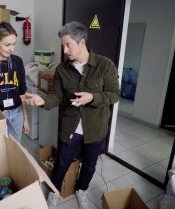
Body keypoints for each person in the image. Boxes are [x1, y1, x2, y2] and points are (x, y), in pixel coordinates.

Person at [24, 21, 119, 209]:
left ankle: (82, 190)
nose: (65, 50)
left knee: (90, 165)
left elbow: (114, 95)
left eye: (68, 45)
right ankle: (54, 191)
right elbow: (56, 96)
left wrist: (92, 96)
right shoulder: (61, 70)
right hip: (70, 128)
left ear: (81, 42)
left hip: (95, 129)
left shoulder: (105, 65)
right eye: (63, 45)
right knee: (61, 163)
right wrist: (43, 101)